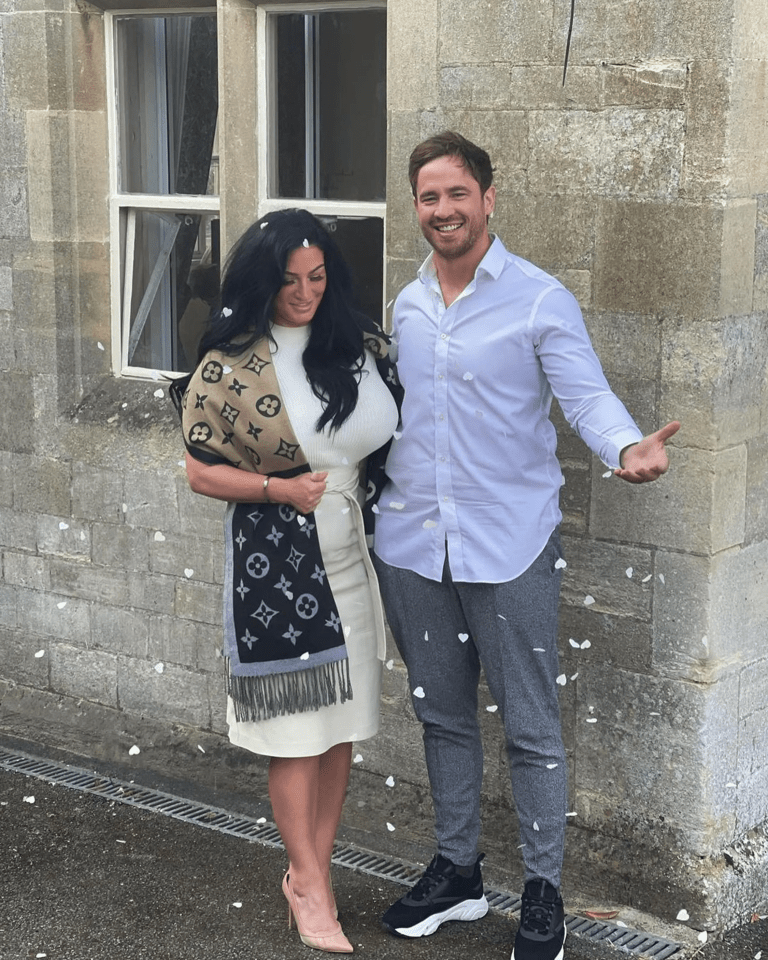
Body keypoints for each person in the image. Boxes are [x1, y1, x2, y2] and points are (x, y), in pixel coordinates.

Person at [372, 132, 680, 960]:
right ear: (418, 207)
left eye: (457, 194)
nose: (443, 211)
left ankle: (543, 892)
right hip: (411, 545)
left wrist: (624, 450)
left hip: (508, 545)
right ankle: (459, 872)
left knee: (532, 728)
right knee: (441, 716)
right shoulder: (406, 303)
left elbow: (587, 398)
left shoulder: (541, 299)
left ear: (488, 198)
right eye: (428, 197)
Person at [170, 209, 401, 955]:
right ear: (261, 281)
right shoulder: (232, 363)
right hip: (280, 567)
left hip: (352, 561)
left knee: (338, 734)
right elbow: (202, 473)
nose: (303, 293)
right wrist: (278, 492)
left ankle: (315, 872)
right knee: (296, 737)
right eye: (288, 280)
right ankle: (307, 882)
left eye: (317, 277)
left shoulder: (358, 344)